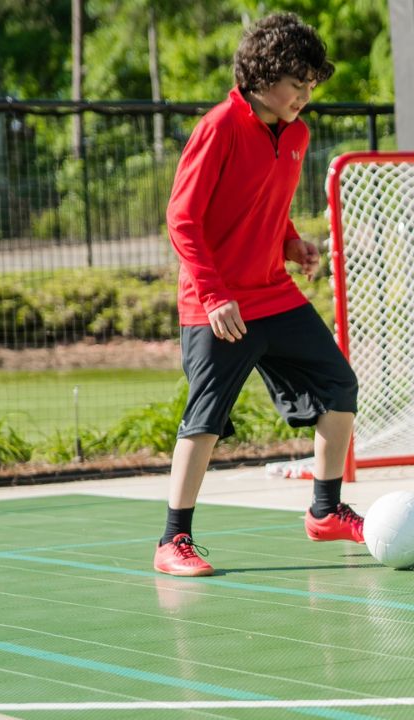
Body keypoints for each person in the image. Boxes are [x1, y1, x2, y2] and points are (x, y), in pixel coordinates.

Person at [154, 13, 362, 577]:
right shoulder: (220, 125)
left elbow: (263, 204)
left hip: (273, 293)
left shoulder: (296, 133)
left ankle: (325, 511)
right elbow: (183, 218)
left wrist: (292, 242)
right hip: (218, 305)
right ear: (263, 76)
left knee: (339, 384)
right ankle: (173, 540)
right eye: (298, 82)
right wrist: (216, 293)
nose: (305, 95)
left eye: (311, 85)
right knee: (206, 419)